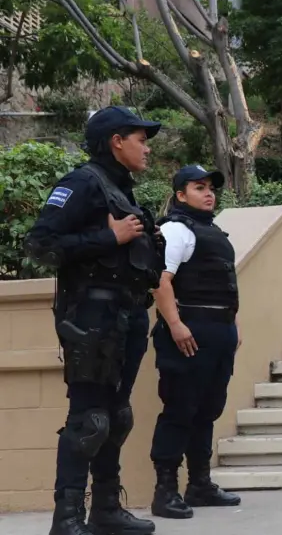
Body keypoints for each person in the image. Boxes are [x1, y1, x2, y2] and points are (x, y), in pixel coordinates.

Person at [24, 106, 164, 535]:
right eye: (140, 138)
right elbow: (39, 246)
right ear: (115, 140)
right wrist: (109, 237)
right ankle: (66, 519)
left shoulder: (125, 193)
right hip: (91, 315)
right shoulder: (82, 183)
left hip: (128, 313)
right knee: (89, 419)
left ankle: (106, 509)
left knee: (116, 416)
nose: (147, 147)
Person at [149, 165, 242, 519]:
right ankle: (165, 490)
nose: (208, 193)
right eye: (198, 187)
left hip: (219, 329)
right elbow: (161, 280)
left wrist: (233, 325)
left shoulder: (212, 231)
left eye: (211, 188)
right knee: (179, 408)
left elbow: (225, 285)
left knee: (207, 409)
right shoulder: (176, 229)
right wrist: (175, 324)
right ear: (180, 195)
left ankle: (200, 484)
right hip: (191, 329)